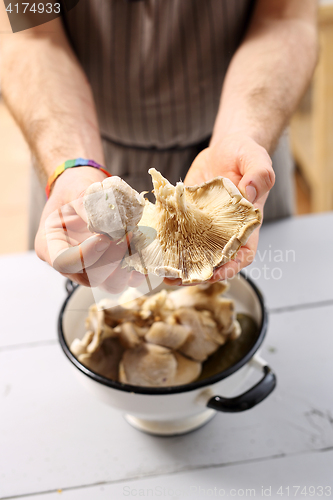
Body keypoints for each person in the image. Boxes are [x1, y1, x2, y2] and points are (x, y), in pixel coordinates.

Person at [0, 0, 318, 291]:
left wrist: (243, 134)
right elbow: (33, 33)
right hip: (77, 142)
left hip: (242, 157)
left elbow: (284, 16)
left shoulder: (241, 159)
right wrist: (72, 166)